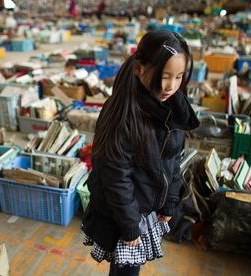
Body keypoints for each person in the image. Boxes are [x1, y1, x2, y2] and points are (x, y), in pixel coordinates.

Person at [81, 30, 200, 276]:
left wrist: (169, 203)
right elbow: (115, 174)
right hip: (124, 212)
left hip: (145, 207)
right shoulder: (123, 114)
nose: (171, 86)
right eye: (164, 76)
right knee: (127, 271)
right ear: (139, 69)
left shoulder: (171, 107)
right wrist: (130, 224)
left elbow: (173, 159)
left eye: (178, 77)